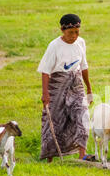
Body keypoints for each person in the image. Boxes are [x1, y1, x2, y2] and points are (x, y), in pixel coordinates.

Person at [37, 14, 94, 162]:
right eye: (70, 33)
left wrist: (89, 89)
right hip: (57, 85)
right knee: (54, 120)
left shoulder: (81, 43)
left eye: (77, 32)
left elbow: (84, 67)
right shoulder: (54, 46)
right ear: (62, 30)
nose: (74, 36)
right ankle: (50, 157)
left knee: (83, 115)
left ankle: (83, 154)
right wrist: (45, 94)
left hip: (76, 83)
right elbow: (45, 71)